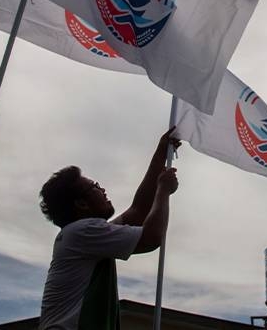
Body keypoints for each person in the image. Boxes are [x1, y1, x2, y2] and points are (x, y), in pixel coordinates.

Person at [38, 128, 180, 330]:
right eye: (94, 186)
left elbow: (138, 211)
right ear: (81, 203)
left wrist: (160, 153)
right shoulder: (83, 232)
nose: (102, 189)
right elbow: (151, 238)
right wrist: (164, 190)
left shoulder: (84, 236)